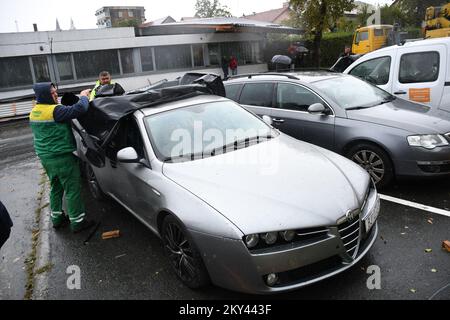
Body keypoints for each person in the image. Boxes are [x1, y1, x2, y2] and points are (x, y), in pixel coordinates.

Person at [29, 83, 95, 233]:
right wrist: (84, 96)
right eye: (52, 93)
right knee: (72, 188)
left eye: (55, 92)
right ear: (45, 95)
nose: (55, 96)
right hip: (62, 156)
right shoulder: (55, 110)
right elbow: (80, 109)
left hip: (45, 158)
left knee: (56, 186)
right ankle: (78, 222)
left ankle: (57, 218)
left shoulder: (34, 112)